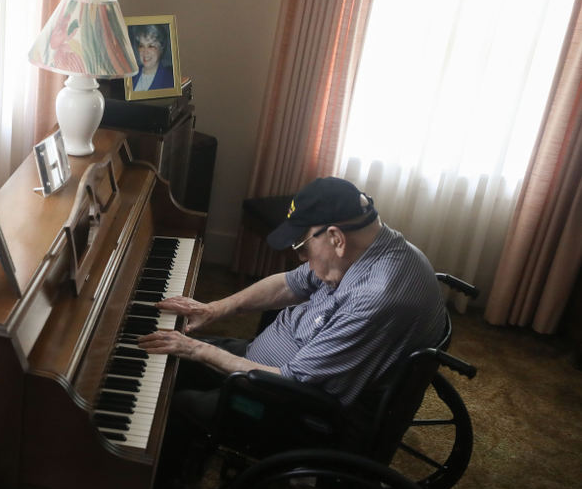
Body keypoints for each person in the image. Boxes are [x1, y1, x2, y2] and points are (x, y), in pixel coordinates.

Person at [139, 176, 448, 432]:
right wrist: (215, 308)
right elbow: (289, 283)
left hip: (290, 407)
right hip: (266, 360)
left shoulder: (376, 298)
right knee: (170, 363)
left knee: (171, 405)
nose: (301, 258)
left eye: (302, 247)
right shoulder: (371, 244)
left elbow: (292, 382)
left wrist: (197, 349)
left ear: (336, 238)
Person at [129, 24, 175, 91]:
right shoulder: (131, 75)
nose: (145, 52)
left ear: (161, 48)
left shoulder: (170, 81)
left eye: (151, 46)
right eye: (141, 46)